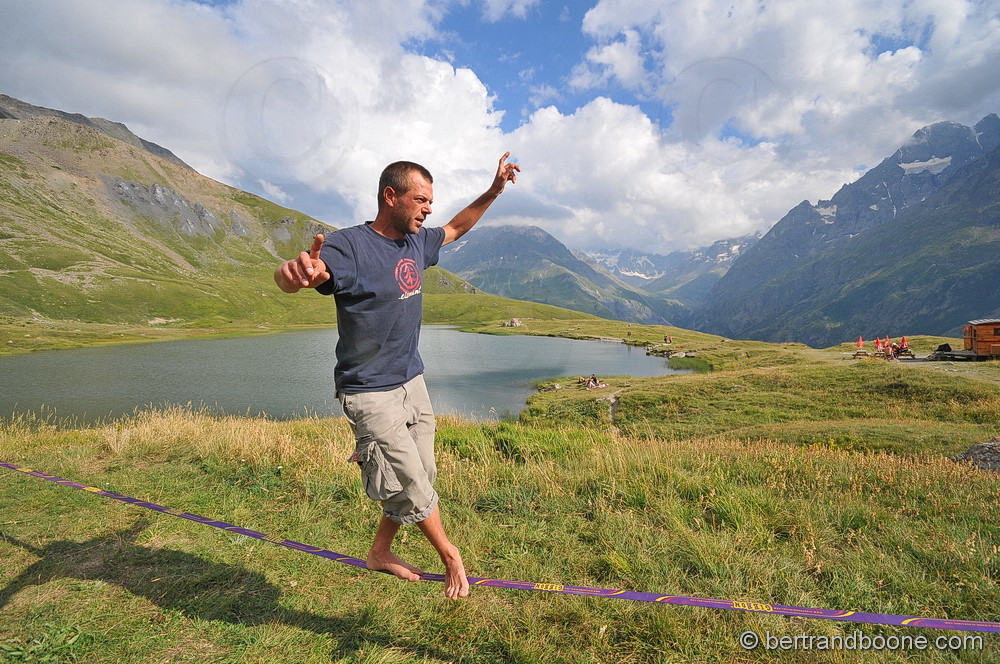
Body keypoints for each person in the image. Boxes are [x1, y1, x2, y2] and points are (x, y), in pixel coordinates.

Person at [274, 153, 520, 600]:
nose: (429, 209)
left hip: (411, 381)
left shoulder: (417, 242)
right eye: (421, 200)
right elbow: (309, 272)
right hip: (369, 391)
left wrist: (494, 190)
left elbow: (457, 227)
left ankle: (380, 552)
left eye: (431, 201)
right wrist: (292, 275)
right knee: (410, 483)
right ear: (391, 196)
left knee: (423, 472)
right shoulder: (349, 246)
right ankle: (450, 556)